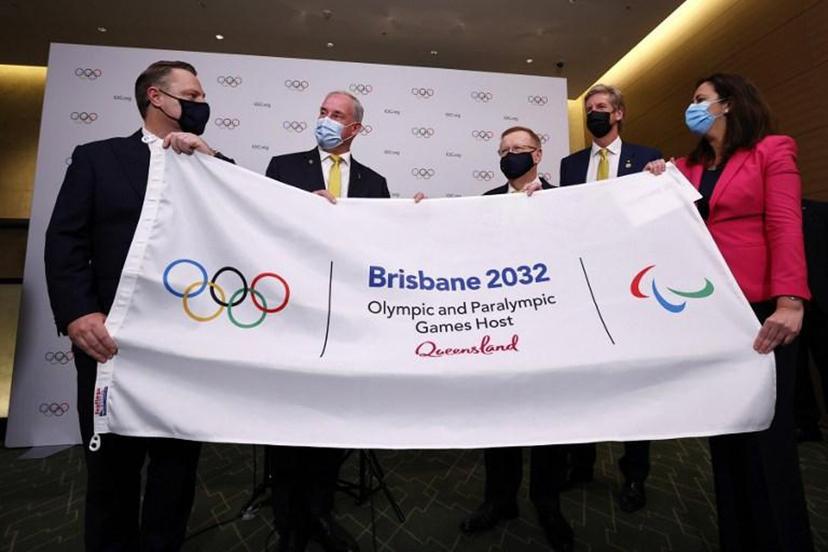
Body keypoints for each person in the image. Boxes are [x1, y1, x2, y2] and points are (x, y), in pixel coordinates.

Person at [44, 60, 233, 551]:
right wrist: (77, 313)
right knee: (110, 473)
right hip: (110, 343)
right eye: (191, 96)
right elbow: (65, 239)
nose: (200, 105)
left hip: (186, 348)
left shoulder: (216, 167)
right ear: (155, 97)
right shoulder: (97, 158)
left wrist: (208, 162)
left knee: (176, 473)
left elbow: (242, 233)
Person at [646, 73, 814, 551]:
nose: (692, 107)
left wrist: (790, 300)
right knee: (726, 437)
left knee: (768, 439)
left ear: (728, 104)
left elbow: (784, 223)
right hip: (711, 317)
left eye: (699, 99)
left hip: (763, 314)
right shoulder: (684, 168)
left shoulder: (772, 150)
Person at [264, 90, 387, 552]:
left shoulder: (375, 182)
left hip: (346, 323)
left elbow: (382, 249)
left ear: (355, 128)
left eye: (336, 115)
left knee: (332, 425)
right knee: (287, 425)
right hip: (290, 317)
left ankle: (321, 514)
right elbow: (262, 230)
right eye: (322, 112)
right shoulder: (283, 168)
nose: (326, 120)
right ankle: (288, 528)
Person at [460, 127, 574, 552]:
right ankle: (499, 501)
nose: (511, 156)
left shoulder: (566, 200)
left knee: (550, 422)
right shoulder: (484, 203)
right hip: (498, 326)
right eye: (504, 151)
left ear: (538, 154)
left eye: (519, 150)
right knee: (500, 417)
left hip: (548, 328)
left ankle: (547, 503)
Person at [558, 84, 661, 513]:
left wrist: (661, 181)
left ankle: (634, 474)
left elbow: (656, 218)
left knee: (633, 382)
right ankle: (581, 463)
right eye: (589, 110)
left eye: (601, 108)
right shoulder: (570, 165)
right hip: (584, 284)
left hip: (630, 286)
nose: (594, 115)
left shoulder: (647, 158)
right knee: (586, 378)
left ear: (619, 113)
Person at [795, 199, 828, 442]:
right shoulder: (761, 216)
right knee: (797, 371)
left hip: (821, 303)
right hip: (787, 304)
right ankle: (807, 424)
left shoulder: (819, 212)